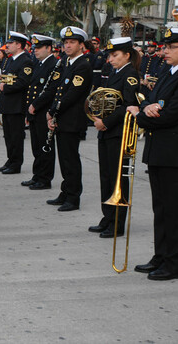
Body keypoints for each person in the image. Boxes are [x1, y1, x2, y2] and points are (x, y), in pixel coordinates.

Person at [128, 28, 178, 281]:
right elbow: (148, 98)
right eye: (165, 47)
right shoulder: (168, 71)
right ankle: (161, 255)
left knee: (174, 209)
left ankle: (173, 263)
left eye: (171, 47)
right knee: (160, 207)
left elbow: (172, 112)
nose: (164, 51)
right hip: (158, 150)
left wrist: (141, 114)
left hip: (175, 152)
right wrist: (146, 107)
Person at [87, 37, 141, 238]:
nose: (110, 59)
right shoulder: (114, 73)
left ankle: (117, 223)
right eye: (109, 55)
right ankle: (107, 217)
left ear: (127, 55)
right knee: (106, 177)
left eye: (115, 55)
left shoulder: (130, 76)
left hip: (118, 134)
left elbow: (129, 106)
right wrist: (97, 115)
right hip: (106, 133)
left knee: (118, 179)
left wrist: (106, 122)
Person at [45, 26, 92, 211]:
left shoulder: (83, 65)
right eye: (66, 42)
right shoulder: (68, 62)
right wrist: (54, 112)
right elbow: (59, 91)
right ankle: (65, 192)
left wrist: (53, 110)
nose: (68, 45)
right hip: (63, 119)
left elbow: (72, 94)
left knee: (71, 160)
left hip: (72, 120)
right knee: (64, 159)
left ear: (81, 45)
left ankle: (73, 197)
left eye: (72, 42)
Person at [0, 31, 34, 175]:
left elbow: (24, 82)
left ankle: (16, 163)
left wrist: (6, 87)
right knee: (8, 135)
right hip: (7, 103)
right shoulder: (11, 60)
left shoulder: (25, 60)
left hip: (17, 104)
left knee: (16, 137)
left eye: (10, 43)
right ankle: (10, 160)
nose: (7, 46)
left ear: (19, 45)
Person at [23, 34, 58, 190]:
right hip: (35, 111)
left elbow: (50, 90)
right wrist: (29, 111)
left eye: (38, 48)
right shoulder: (39, 64)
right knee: (36, 146)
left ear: (48, 48)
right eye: (34, 47)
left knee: (45, 147)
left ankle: (45, 179)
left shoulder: (54, 65)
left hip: (44, 111)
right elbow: (32, 88)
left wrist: (35, 105)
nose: (35, 50)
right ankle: (37, 175)